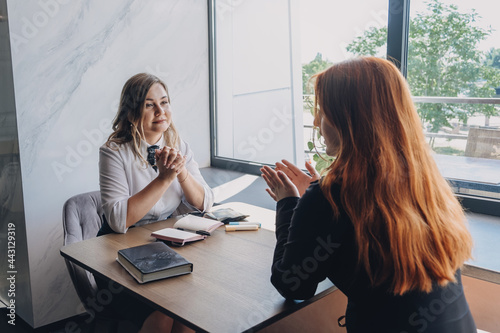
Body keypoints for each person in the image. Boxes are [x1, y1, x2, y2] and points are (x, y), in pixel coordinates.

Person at [261, 57, 476, 332]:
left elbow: (292, 285)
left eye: (323, 111)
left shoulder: (330, 197)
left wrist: (289, 204)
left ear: (349, 120)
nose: (316, 122)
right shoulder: (425, 181)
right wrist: (312, 203)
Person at [97, 73, 214, 332]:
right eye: (149, 104)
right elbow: (118, 221)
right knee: (162, 315)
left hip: (164, 248)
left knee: (188, 311)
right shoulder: (113, 152)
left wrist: (181, 172)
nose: (160, 111)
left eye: (164, 102)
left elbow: (206, 202)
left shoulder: (180, 146)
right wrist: (163, 179)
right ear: (131, 113)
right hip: (117, 255)